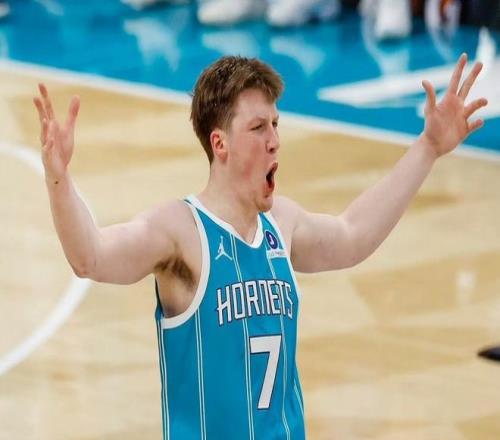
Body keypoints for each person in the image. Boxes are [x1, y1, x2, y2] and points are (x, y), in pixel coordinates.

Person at [33, 54, 487, 439]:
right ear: (220, 143)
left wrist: (428, 147)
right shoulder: (180, 231)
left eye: (275, 124)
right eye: (257, 128)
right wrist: (58, 179)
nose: (274, 141)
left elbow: (353, 235)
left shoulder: (281, 224)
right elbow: (90, 257)